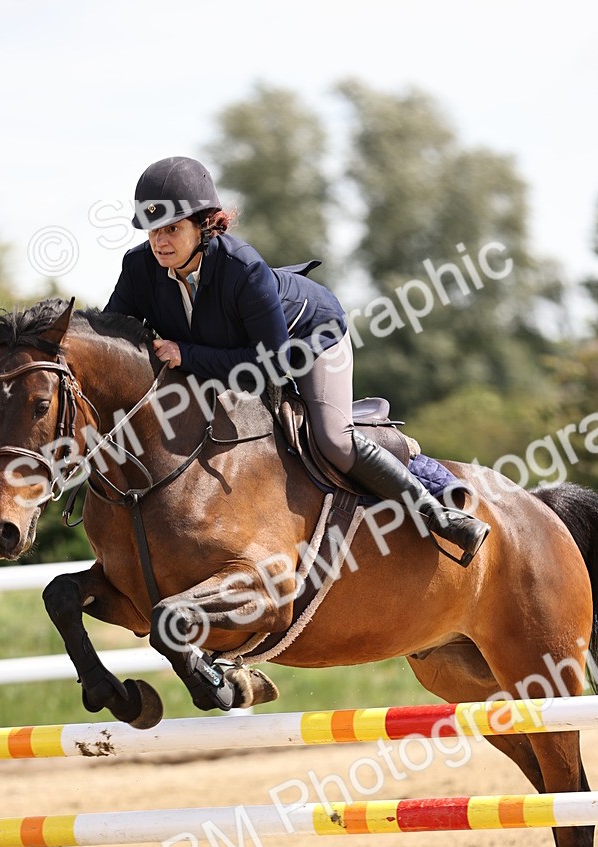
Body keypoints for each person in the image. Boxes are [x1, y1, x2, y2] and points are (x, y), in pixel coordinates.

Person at [105, 156, 489, 565]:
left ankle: (441, 514)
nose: (160, 242)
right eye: (153, 231)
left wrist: (188, 354)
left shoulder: (242, 268)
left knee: (333, 439)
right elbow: (111, 332)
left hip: (308, 340)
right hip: (236, 353)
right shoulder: (139, 268)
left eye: (172, 229)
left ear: (204, 225)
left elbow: (270, 367)